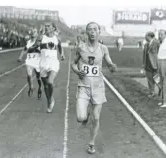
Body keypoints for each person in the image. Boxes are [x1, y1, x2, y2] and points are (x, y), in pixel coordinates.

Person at [71, 22, 117, 154]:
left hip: (98, 88)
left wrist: (112, 66)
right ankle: (85, 116)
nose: (92, 32)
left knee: (96, 118)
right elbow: (73, 63)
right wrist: (76, 71)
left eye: (94, 30)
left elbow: (109, 63)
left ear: (99, 32)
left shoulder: (103, 49)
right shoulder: (80, 48)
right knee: (80, 118)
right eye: (89, 30)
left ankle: (91, 143)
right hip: (83, 86)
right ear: (86, 32)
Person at [28, 22, 65, 113]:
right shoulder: (41, 37)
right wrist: (33, 47)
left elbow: (60, 47)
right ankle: (50, 100)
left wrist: (62, 54)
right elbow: (34, 46)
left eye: (49, 26)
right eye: (46, 26)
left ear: (53, 28)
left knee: (50, 82)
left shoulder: (57, 38)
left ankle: (50, 99)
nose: (47, 27)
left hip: (53, 63)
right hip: (43, 64)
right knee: (45, 86)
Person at [17, 28, 42, 99]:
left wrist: (37, 49)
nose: (33, 33)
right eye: (32, 32)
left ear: (37, 34)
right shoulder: (28, 42)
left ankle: (40, 87)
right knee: (29, 75)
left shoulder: (39, 42)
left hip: (37, 61)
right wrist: (20, 57)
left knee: (38, 77)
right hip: (29, 61)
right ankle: (31, 87)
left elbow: (43, 52)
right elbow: (24, 50)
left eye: (34, 32)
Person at [141, 32, 160, 98]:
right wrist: (143, 66)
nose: (145, 37)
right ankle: (152, 93)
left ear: (149, 36)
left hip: (155, 65)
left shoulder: (157, 43)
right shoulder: (146, 45)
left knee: (156, 79)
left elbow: (160, 53)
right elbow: (144, 56)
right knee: (149, 79)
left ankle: (161, 90)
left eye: (145, 36)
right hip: (148, 65)